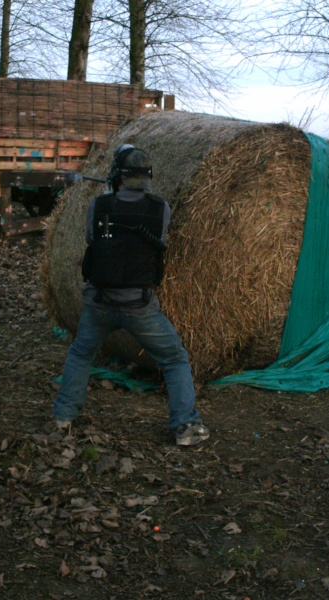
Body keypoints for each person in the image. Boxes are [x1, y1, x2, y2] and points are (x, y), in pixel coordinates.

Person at [53, 145, 209, 446]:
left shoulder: (98, 205)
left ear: (117, 175)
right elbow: (159, 240)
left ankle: (63, 416)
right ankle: (186, 426)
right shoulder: (160, 207)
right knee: (175, 359)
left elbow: (90, 238)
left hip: (98, 302)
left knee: (81, 353)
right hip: (139, 305)